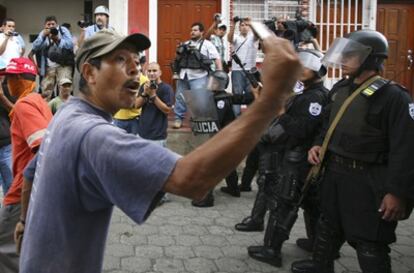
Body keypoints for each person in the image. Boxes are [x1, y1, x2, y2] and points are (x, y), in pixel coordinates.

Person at [18, 28, 301, 273]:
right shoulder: (93, 135)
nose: (135, 69)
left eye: (137, 61)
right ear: (90, 72)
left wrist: (23, 222)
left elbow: (31, 173)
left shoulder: (65, 114)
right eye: (120, 59)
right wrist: (270, 100)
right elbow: (192, 180)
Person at [291, 30, 414, 273]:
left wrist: (398, 193)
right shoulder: (340, 89)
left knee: (369, 241)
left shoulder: (394, 97)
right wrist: (318, 144)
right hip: (335, 173)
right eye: (344, 53)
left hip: (368, 181)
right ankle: (320, 266)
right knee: (328, 226)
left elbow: (406, 149)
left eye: (351, 55)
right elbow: (327, 124)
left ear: (370, 58)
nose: (344, 59)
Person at [242, 49, 328, 268]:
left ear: (318, 70)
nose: (302, 70)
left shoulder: (314, 97)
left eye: (307, 66)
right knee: (309, 204)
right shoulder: (306, 93)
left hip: (298, 159)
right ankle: (317, 245)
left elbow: (302, 130)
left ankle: (272, 250)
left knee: (283, 205)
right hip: (297, 157)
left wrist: (282, 112)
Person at [0, 57, 52, 273]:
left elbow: (43, 152)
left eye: (9, 79)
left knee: (5, 249)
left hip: (22, 193)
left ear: (18, 78)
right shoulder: (37, 101)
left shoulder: (24, 105)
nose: (7, 84)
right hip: (36, 192)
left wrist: (25, 200)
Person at [185, 71, 256, 207]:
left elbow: (215, 121)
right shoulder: (221, 97)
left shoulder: (220, 100)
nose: (210, 83)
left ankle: (206, 198)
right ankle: (233, 188)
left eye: (213, 81)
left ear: (220, 84)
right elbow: (242, 98)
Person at [172, 22, 222, 129]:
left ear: (202, 32)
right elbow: (178, 59)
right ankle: (178, 119)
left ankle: (198, 122)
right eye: (191, 30)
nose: (192, 32)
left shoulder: (208, 44)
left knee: (198, 100)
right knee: (180, 98)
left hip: (199, 76)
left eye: (195, 30)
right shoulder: (185, 44)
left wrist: (220, 73)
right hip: (183, 76)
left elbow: (216, 58)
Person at [32, 16, 74, 101]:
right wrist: (43, 36)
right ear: (45, 26)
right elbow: (35, 47)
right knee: (46, 91)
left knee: (65, 89)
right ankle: (46, 111)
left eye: (53, 24)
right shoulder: (43, 32)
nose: (51, 26)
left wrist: (58, 40)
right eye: (49, 24)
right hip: (48, 67)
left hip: (63, 65)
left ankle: (65, 112)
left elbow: (70, 45)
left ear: (57, 24)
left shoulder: (63, 30)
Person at [136, 62, 173, 146]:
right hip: (142, 133)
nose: (151, 73)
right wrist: (144, 93)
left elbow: (167, 110)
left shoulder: (166, 88)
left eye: (154, 70)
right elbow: (136, 105)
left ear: (160, 72)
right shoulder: (144, 86)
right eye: (149, 71)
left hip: (157, 136)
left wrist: (153, 96)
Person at [228, 17, 258, 116]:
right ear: (239, 27)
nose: (244, 27)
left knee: (251, 95)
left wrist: (251, 23)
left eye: (246, 25)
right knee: (237, 94)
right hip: (237, 70)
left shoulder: (253, 37)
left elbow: (258, 35)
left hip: (250, 71)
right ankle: (236, 117)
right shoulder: (236, 37)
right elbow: (229, 39)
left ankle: (250, 118)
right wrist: (233, 24)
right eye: (242, 25)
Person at [0, 58, 13, 196]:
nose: (2, 76)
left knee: (10, 185)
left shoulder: (8, 90)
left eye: (3, 72)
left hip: (6, 145)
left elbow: (16, 112)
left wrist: (2, 97)